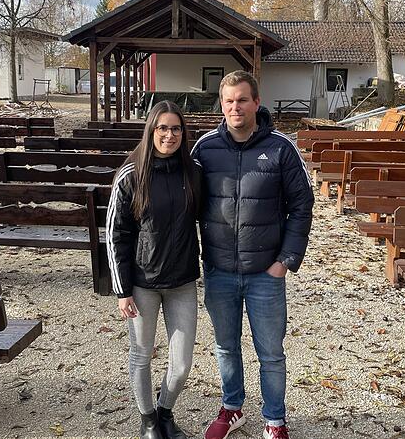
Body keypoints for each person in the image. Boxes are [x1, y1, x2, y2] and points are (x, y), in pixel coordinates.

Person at [191, 70, 314, 439]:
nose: (235, 107)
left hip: (266, 273)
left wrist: (285, 262)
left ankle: (275, 420)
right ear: (222, 104)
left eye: (242, 100)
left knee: (271, 353)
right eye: (228, 101)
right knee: (226, 347)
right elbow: (183, 198)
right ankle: (232, 408)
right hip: (220, 270)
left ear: (257, 103)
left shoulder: (280, 147)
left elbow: (302, 205)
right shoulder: (205, 148)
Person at [106, 101, 202, 439]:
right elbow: (115, 234)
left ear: (183, 133)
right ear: (151, 130)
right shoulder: (131, 174)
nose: (169, 134)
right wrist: (122, 290)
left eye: (176, 128)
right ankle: (148, 421)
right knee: (141, 354)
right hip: (143, 283)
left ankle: (164, 413)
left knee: (181, 366)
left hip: (181, 283)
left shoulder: (192, 172)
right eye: (162, 128)